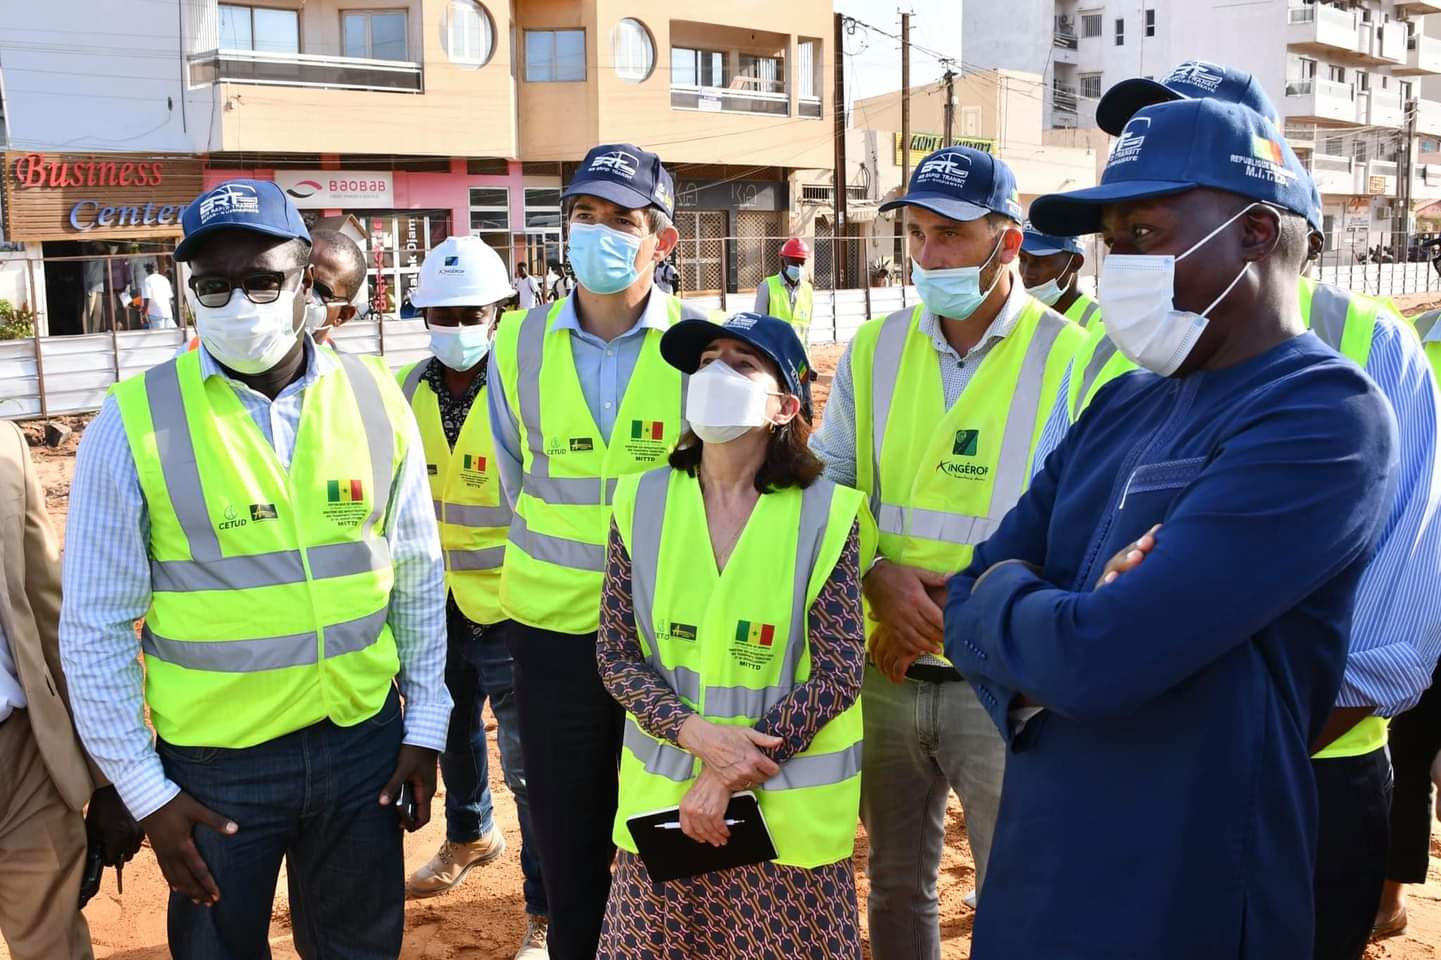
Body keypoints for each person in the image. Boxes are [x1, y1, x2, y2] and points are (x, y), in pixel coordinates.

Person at [945, 96, 1398, 959]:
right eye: (1109, 242)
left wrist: (1024, 610)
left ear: (1257, 234)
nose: (1116, 264)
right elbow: (970, 588)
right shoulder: (1122, 400)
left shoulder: (1322, 415)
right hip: (1041, 868)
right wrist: (1033, 606)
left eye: (1143, 235)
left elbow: (1097, 657)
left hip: (1184, 886)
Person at [1045, 63, 1441, 960]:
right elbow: (1040, 566)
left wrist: (1203, 743)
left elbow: (1394, 628)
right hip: (1114, 774)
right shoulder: (1102, 355)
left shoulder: (1370, 347)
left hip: (1306, 780)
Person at [59, 179, 452, 959]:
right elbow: (94, 625)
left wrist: (427, 724)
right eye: (213, 284)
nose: (239, 302)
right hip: (213, 770)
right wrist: (144, 791)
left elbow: (414, 574)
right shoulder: (130, 422)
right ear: (188, 292)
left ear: (307, 279)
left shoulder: (375, 397)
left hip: (359, 746)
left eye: (263, 279)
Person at [808, 144, 1085, 959]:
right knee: (896, 881)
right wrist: (874, 575)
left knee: (1018, 882)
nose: (927, 256)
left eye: (950, 236)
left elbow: (1076, 524)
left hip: (1005, 679)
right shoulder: (872, 349)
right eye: (918, 234)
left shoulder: (1072, 357)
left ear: (1006, 243)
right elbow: (829, 491)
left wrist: (952, 617)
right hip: (887, 669)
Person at [488, 142, 714, 960]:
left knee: (674, 835)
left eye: (621, 220)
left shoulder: (703, 345)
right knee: (571, 839)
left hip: (670, 642)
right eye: (584, 216)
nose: (598, 234)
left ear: (663, 240)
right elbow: (516, 479)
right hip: (554, 640)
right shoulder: (515, 341)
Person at [596, 312, 866, 959]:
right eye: (707, 359)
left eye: (741, 364)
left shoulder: (829, 513)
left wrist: (724, 776)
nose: (715, 372)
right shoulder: (641, 500)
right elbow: (615, 652)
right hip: (666, 809)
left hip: (782, 822)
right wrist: (696, 737)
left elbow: (837, 674)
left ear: (784, 406)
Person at [397, 236, 550, 959]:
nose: (454, 326)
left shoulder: (528, 389)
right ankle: (468, 835)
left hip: (515, 609)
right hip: (433, 607)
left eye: (470, 312)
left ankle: (546, 913)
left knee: (529, 767)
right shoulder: (402, 393)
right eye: (441, 312)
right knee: (449, 735)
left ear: (501, 313)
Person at [0, 420, 143, 960]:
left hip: (23, 757)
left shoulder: (5, 446)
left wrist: (106, 780)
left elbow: (48, 608)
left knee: (54, 947)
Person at [1017, 226, 1097, 327]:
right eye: (1022, 259)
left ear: (1075, 263)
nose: (1027, 274)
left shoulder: (1102, 324)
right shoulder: (1014, 316)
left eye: (1041, 261)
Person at [307, 228, 366, 347]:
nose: (302, 292)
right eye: (295, 279)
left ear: (342, 315)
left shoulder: (350, 366)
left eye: (318, 289)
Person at [754, 238, 814, 342]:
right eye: (794, 262)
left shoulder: (808, 290)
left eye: (802, 263)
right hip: (774, 352)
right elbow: (759, 325)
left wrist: (806, 356)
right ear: (784, 260)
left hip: (797, 352)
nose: (798, 267)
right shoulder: (767, 286)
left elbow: (806, 331)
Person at [142, 262, 176, 330]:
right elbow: (170, 297)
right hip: (167, 313)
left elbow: (147, 298)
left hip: (155, 314)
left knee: (158, 337)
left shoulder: (147, 281)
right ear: (156, 269)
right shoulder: (164, 279)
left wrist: (144, 314)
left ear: (146, 270)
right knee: (169, 336)